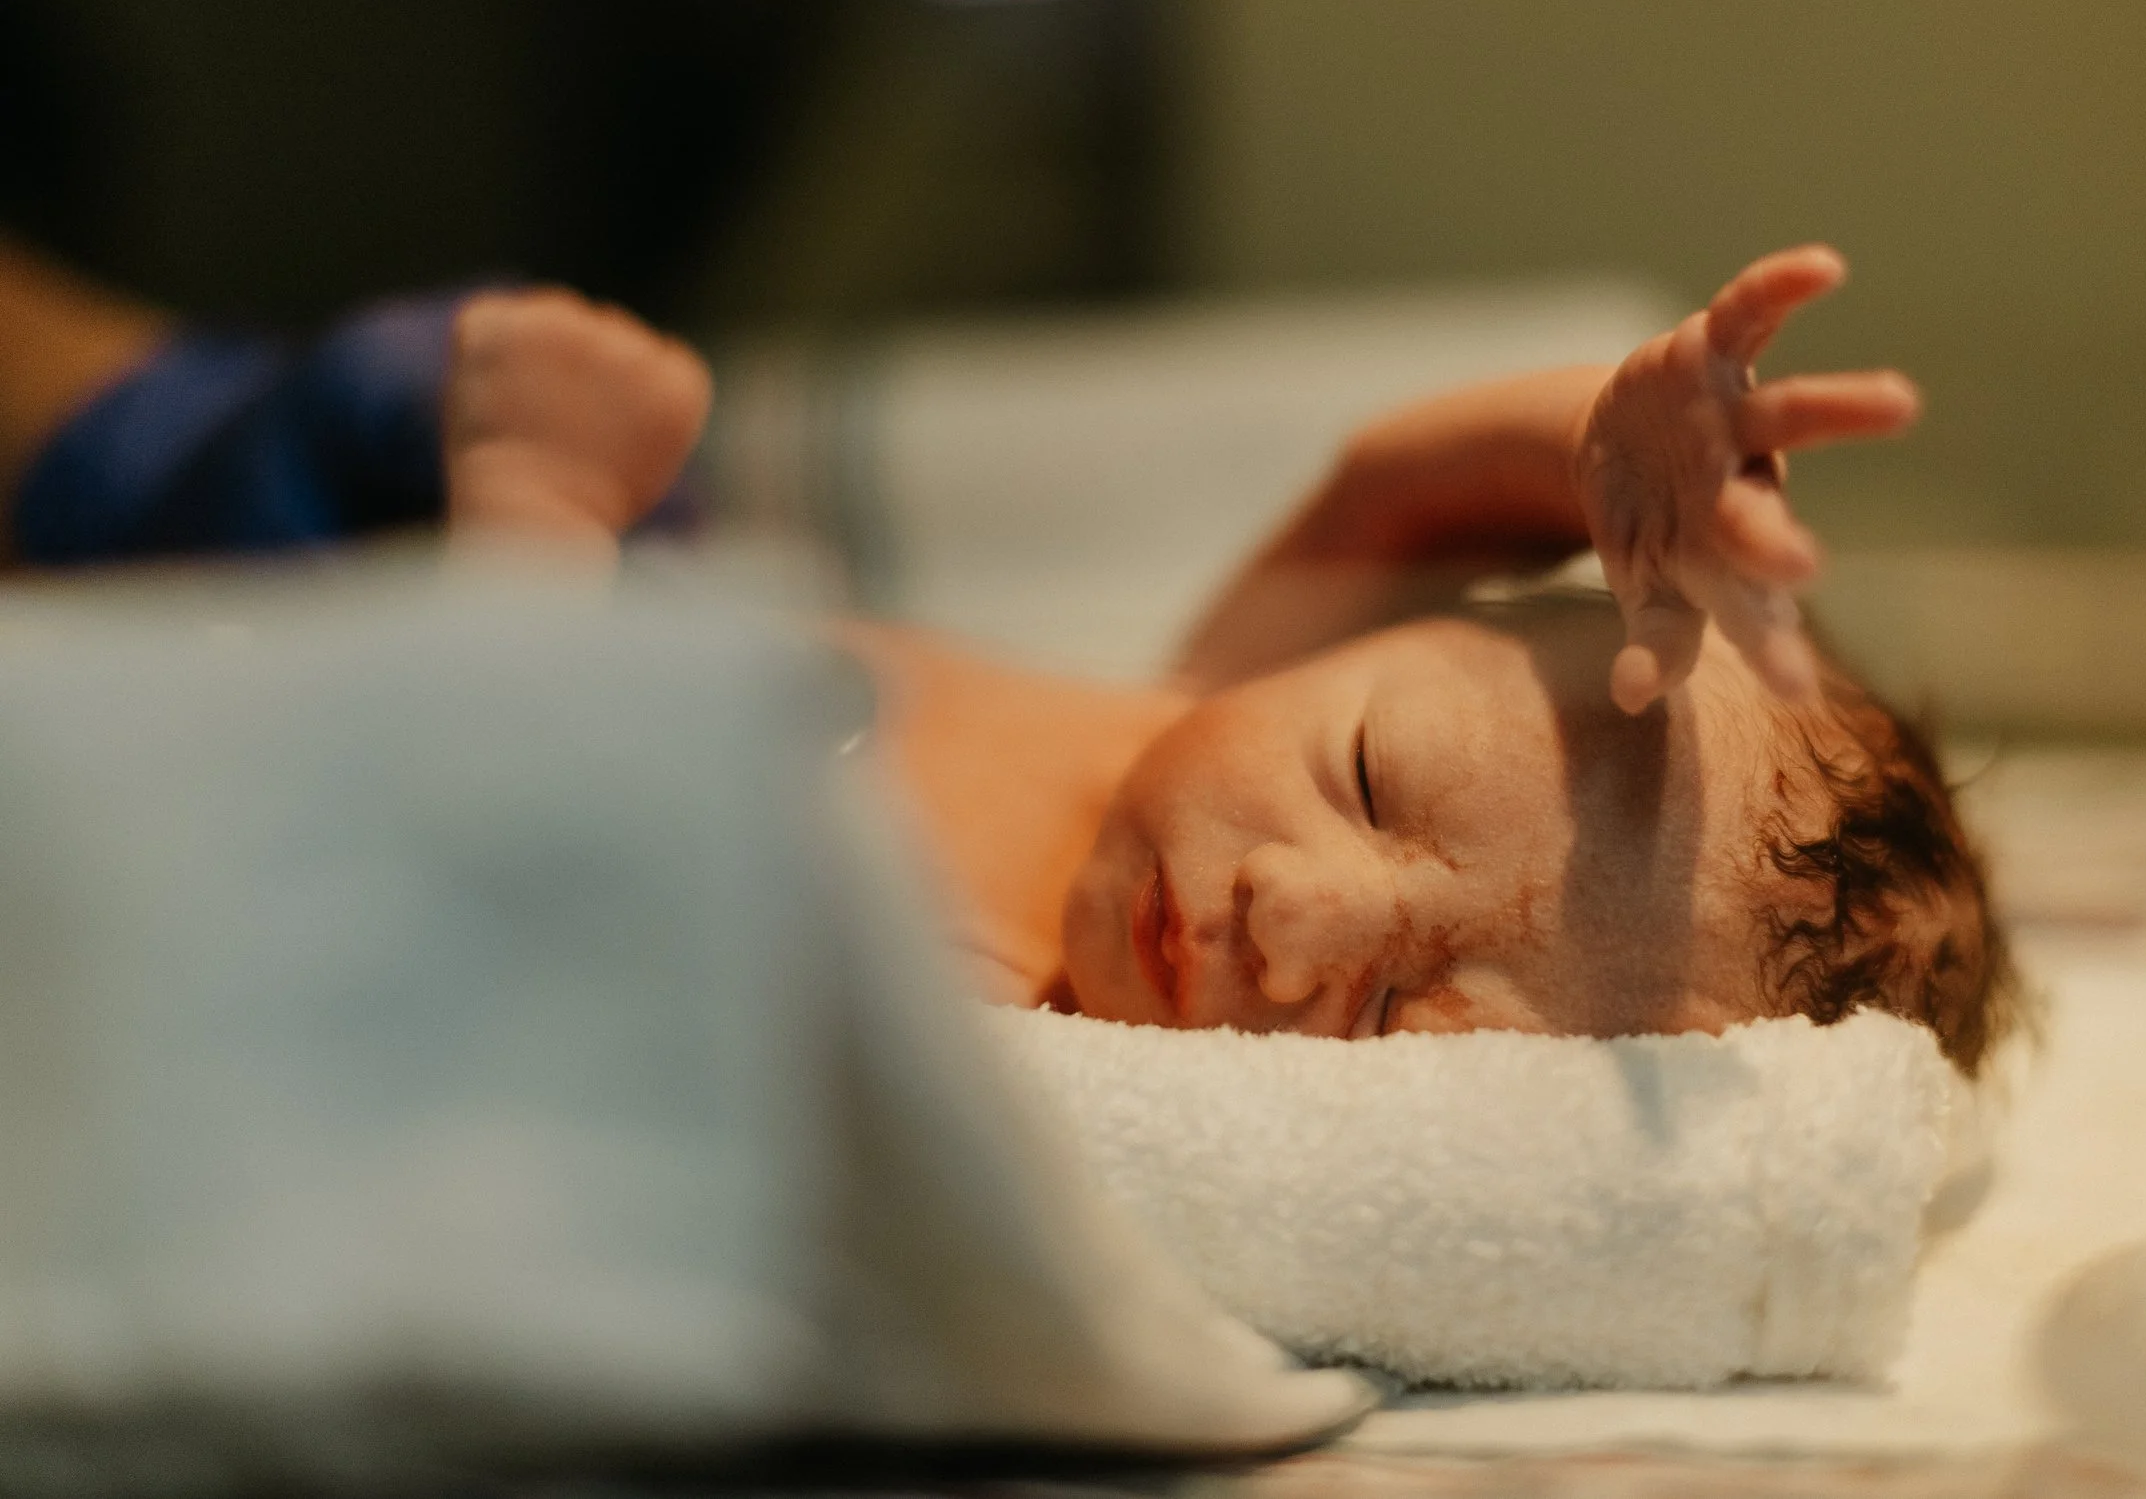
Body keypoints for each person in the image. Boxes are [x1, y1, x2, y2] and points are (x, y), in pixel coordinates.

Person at [0, 235, 2012, 1072]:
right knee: (137, 420)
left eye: (1410, 1020)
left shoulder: (999, 1005)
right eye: (1380, 779)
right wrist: (1591, 439)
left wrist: (538, 519)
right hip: (464, 528)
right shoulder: (1189, 703)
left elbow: (530, 910)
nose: (1303, 915)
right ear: (1401, 640)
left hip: (409, 703)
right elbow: (1378, 498)